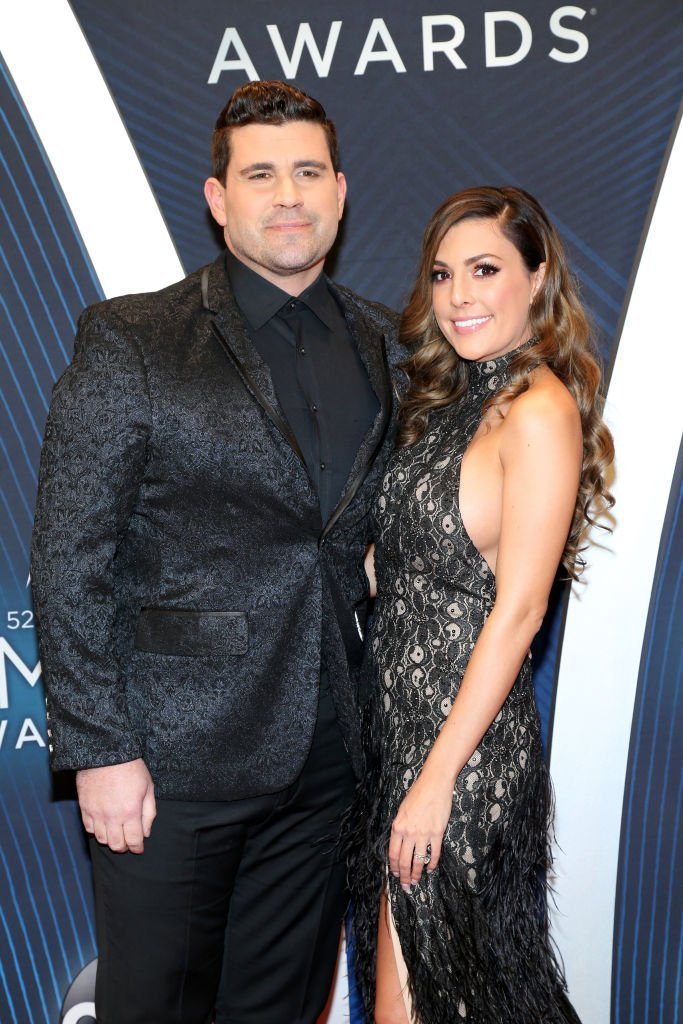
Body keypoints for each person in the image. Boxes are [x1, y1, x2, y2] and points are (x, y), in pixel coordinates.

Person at [31, 80, 400, 1024]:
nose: (288, 195)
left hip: (330, 759)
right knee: (156, 1007)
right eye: (261, 174)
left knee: (278, 1009)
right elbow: (70, 554)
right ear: (216, 197)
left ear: (341, 190)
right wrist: (100, 751)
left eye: (308, 172)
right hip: (170, 763)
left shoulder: (387, 342)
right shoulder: (134, 337)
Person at [348, 186, 614, 1024]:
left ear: (536, 280)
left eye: (485, 269)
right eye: (441, 274)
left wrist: (433, 782)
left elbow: (520, 611)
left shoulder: (538, 410)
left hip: (464, 765)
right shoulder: (446, 406)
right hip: (400, 746)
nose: (459, 295)